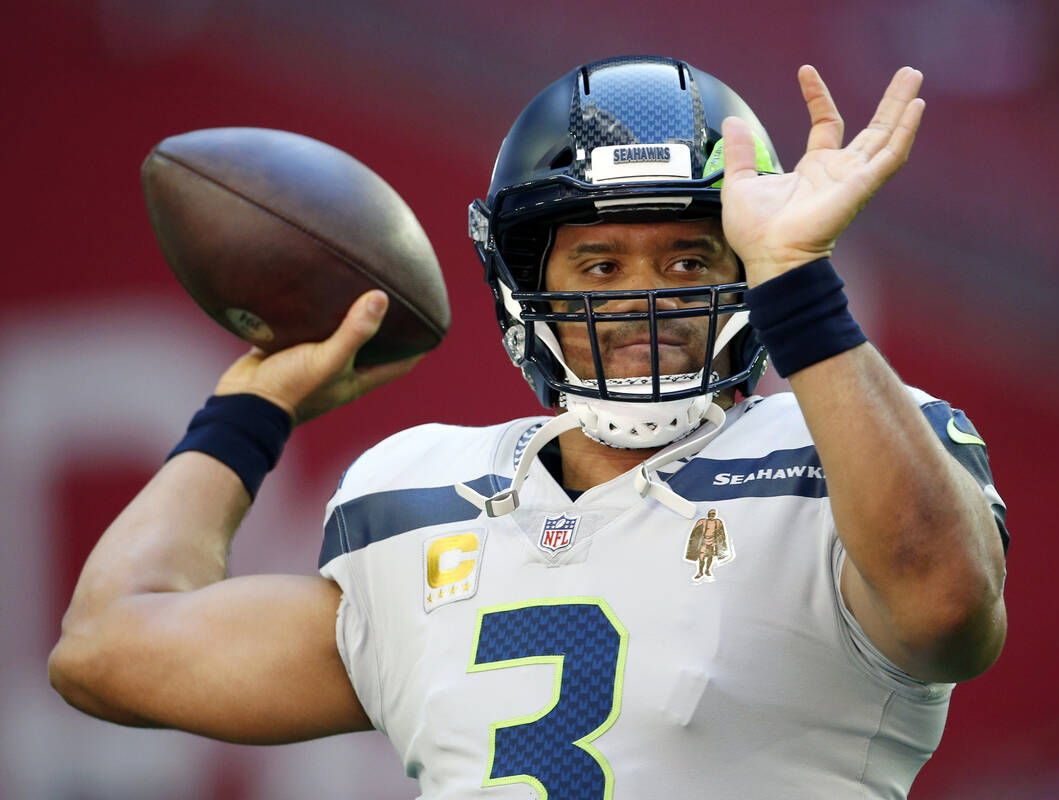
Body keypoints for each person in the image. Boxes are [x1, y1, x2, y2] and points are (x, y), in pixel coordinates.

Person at [49, 56, 1009, 798]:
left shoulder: (849, 452)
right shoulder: (417, 499)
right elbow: (107, 651)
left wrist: (803, 280)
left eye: (688, 261)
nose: (644, 300)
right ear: (525, 290)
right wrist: (250, 411)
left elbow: (946, 608)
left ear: (749, 272)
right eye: (598, 267)